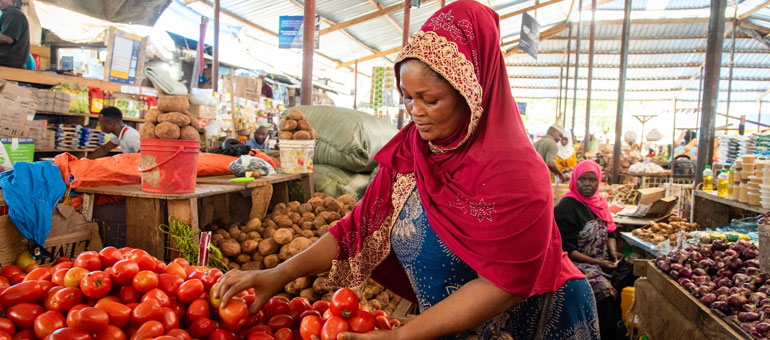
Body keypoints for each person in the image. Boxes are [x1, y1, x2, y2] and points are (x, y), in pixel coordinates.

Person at [216, 2, 599, 339]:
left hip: (538, 321)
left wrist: (404, 336)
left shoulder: (519, 175)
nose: (414, 111)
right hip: (448, 325)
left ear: (473, 95)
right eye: (407, 97)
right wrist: (277, 274)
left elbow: (505, 285)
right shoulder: (413, 152)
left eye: (429, 99)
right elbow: (356, 229)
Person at [555, 160, 624, 339]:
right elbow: (566, 248)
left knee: (627, 279)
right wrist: (597, 262)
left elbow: (611, 231)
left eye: (592, 180)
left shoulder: (600, 203)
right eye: (582, 179)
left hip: (602, 262)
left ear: (598, 181)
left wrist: (613, 253)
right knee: (604, 292)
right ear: (575, 181)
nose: (587, 184)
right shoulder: (567, 206)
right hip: (576, 263)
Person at [0, 0, 30, 69]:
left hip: (7, 64)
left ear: (13, 1)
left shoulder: (12, 13)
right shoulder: (7, 14)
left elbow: (7, 38)